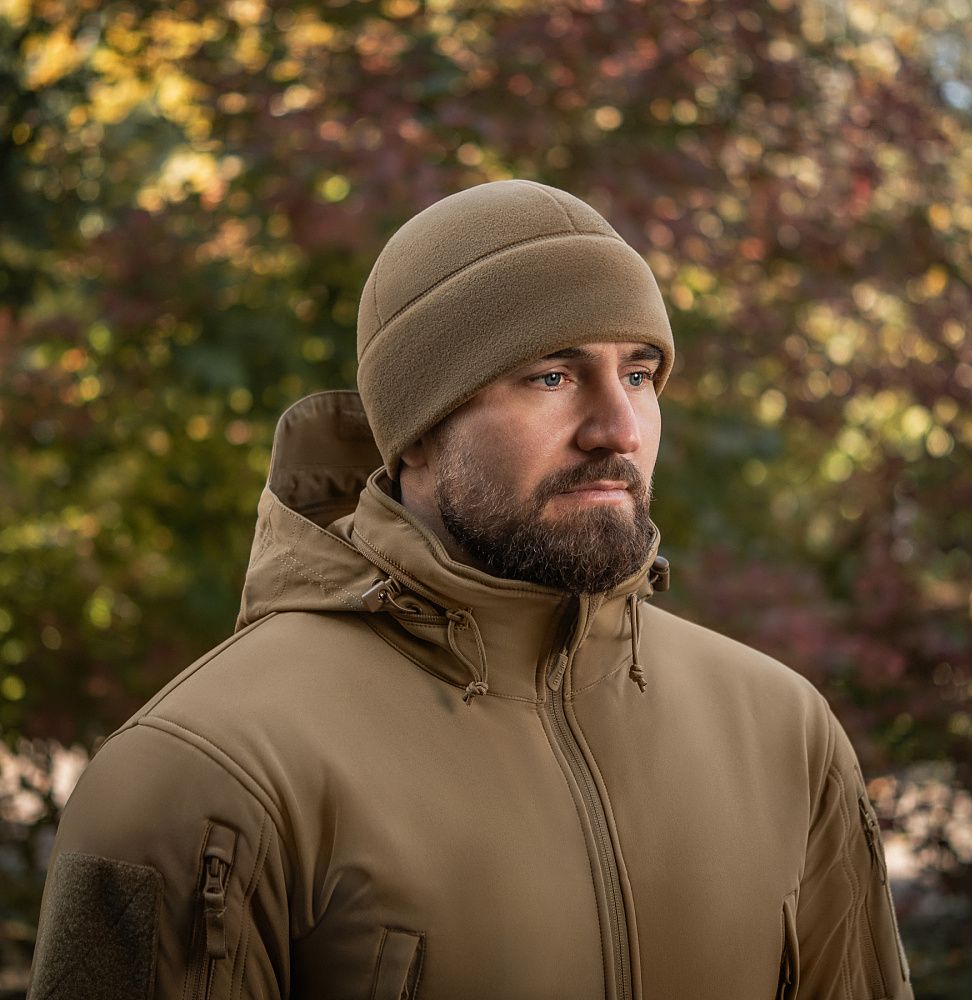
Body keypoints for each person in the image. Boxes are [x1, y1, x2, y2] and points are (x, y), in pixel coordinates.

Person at [29, 180, 913, 1000]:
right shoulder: (200, 774)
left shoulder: (786, 734)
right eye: (552, 377)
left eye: (640, 374)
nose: (618, 429)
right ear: (416, 429)